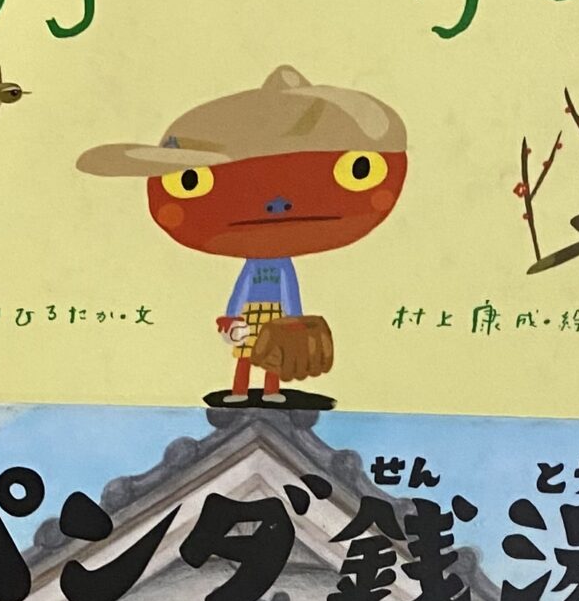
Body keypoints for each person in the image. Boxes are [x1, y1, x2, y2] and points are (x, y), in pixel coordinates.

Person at [79, 65, 407, 407]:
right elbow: (244, 290)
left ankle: (270, 390)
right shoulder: (259, 263)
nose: (277, 205)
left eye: (358, 170)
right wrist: (231, 318)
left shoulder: (278, 263)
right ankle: (240, 390)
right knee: (246, 354)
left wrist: (293, 320)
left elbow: (289, 291)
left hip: (276, 316)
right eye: (189, 181)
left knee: (273, 355)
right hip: (253, 314)